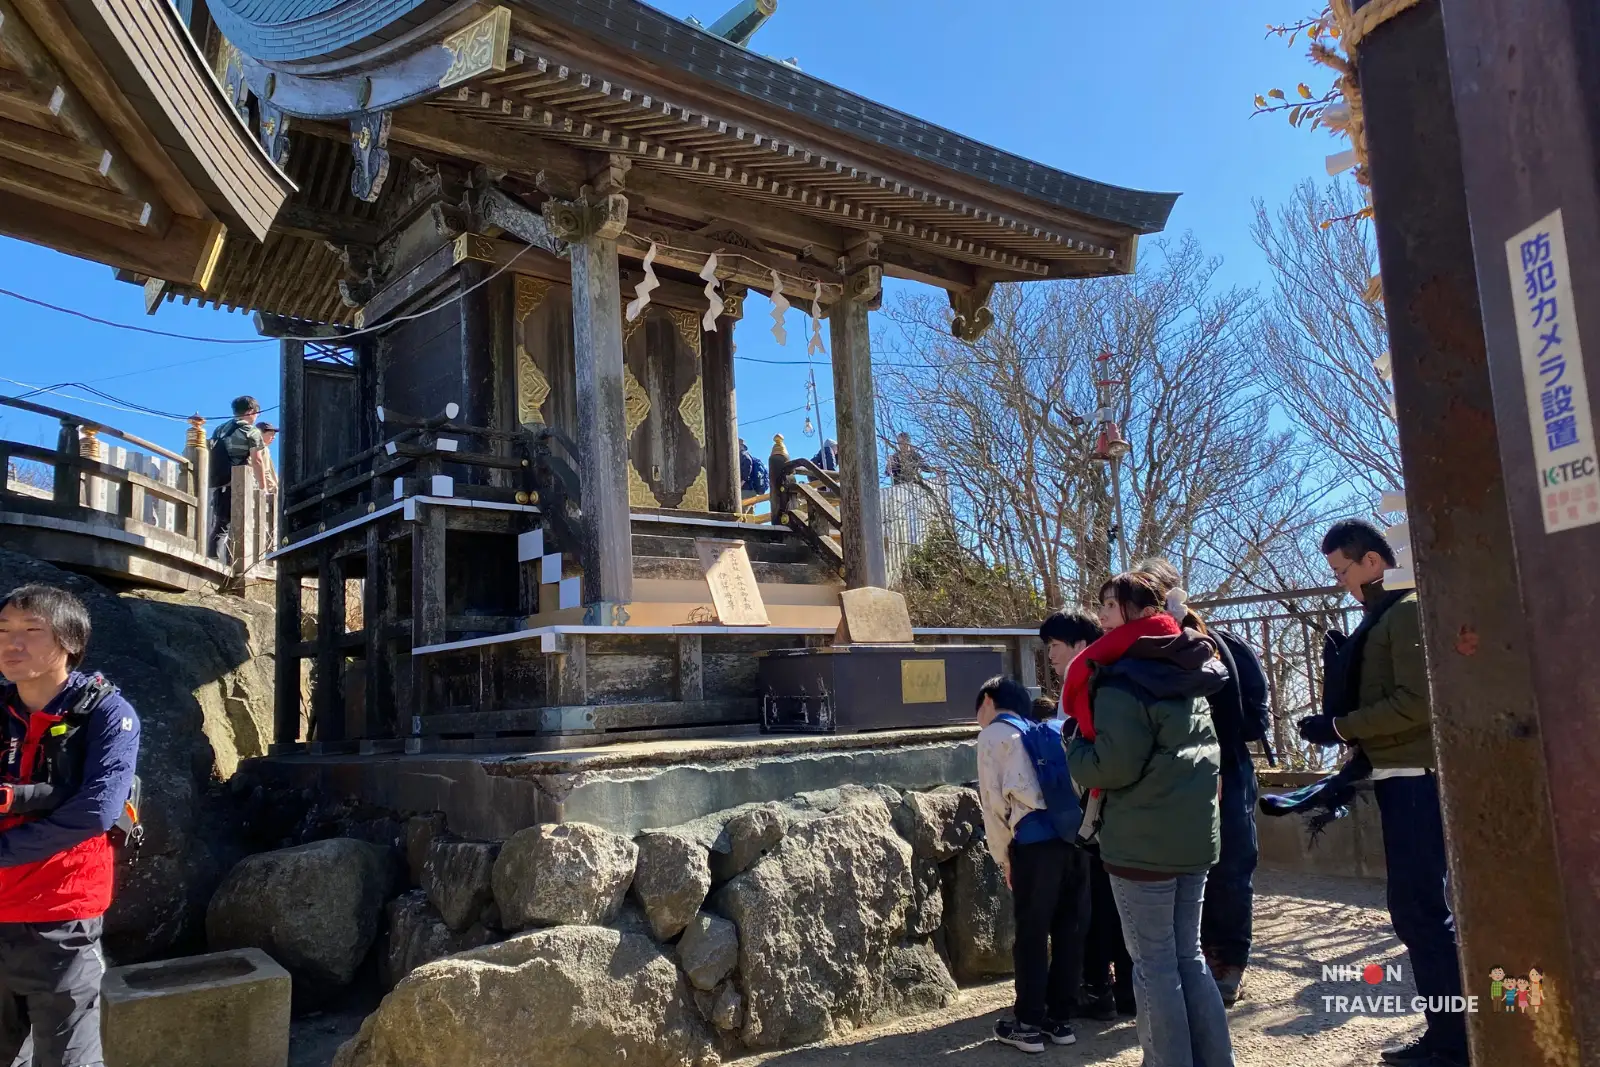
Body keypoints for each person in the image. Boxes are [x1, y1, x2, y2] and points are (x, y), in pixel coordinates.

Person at [1297, 519, 1466, 1067]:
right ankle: (1447, 1036)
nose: (1342, 583)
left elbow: (1419, 703)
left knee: (1421, 910)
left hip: (1416, 775)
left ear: (1373, 562)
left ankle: (1453, 1042)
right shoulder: (1384, 615)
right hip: (1399, 774)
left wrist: (1342, 727)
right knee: (1414, 909)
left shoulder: (1407, 610)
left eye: (1343, 571)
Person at [1064, 572, 1235, 1067]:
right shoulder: (1187, 667)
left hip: (1142, 847)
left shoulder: (1122, 679)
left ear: (1135, 611)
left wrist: (1075, 746)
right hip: (1194, 839)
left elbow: (1111, 767)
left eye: (1109, 607)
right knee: (1189, 958)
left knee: (1154, 966)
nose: (1100, 617)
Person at [0, 584, 140, 1067]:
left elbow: (96, 811)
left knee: (67, 1058)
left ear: (68, 643)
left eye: (30, 632)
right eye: (3, 631)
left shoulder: (107, 713)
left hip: (60, 914)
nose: (10, 645)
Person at [1135, 557, 1266, 1007]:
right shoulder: (1136, 651)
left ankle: (1227, 961)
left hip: (1225, 769)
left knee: (1229, 866)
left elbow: (1249, 718)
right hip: (1168, 777)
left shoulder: (1217, 645)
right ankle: (1185, 960)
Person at [976, 676, 1088, 1053]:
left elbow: (994, 805)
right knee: (1068, 929)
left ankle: (1026, 1023)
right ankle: (1060, 1021)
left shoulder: (994, 736)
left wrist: (1003, 856)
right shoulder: (1043, 730)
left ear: (989, 701)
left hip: (1034, 845)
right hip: (1071, 839)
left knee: (1032, 933)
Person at [1038, 609, 1134, 1019]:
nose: (1050, 658)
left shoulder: (1089, 679)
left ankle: (1097, 989)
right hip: (1107, 811)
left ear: (1080, 645)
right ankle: (1116, 991)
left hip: (1097, 811)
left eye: (1055, 647)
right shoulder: (1093, 676)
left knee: (1095, 905)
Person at [207, 396, 266, 562]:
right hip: (239, 483)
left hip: (220, 482)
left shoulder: (220, 429)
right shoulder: (251, 431)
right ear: (251, 412)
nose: (256, 417)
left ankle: (213, 560)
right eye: (257, 413)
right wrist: (263, 487)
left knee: (221, 525)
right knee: (240, 527)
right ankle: (234, 564)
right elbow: (257, 460)